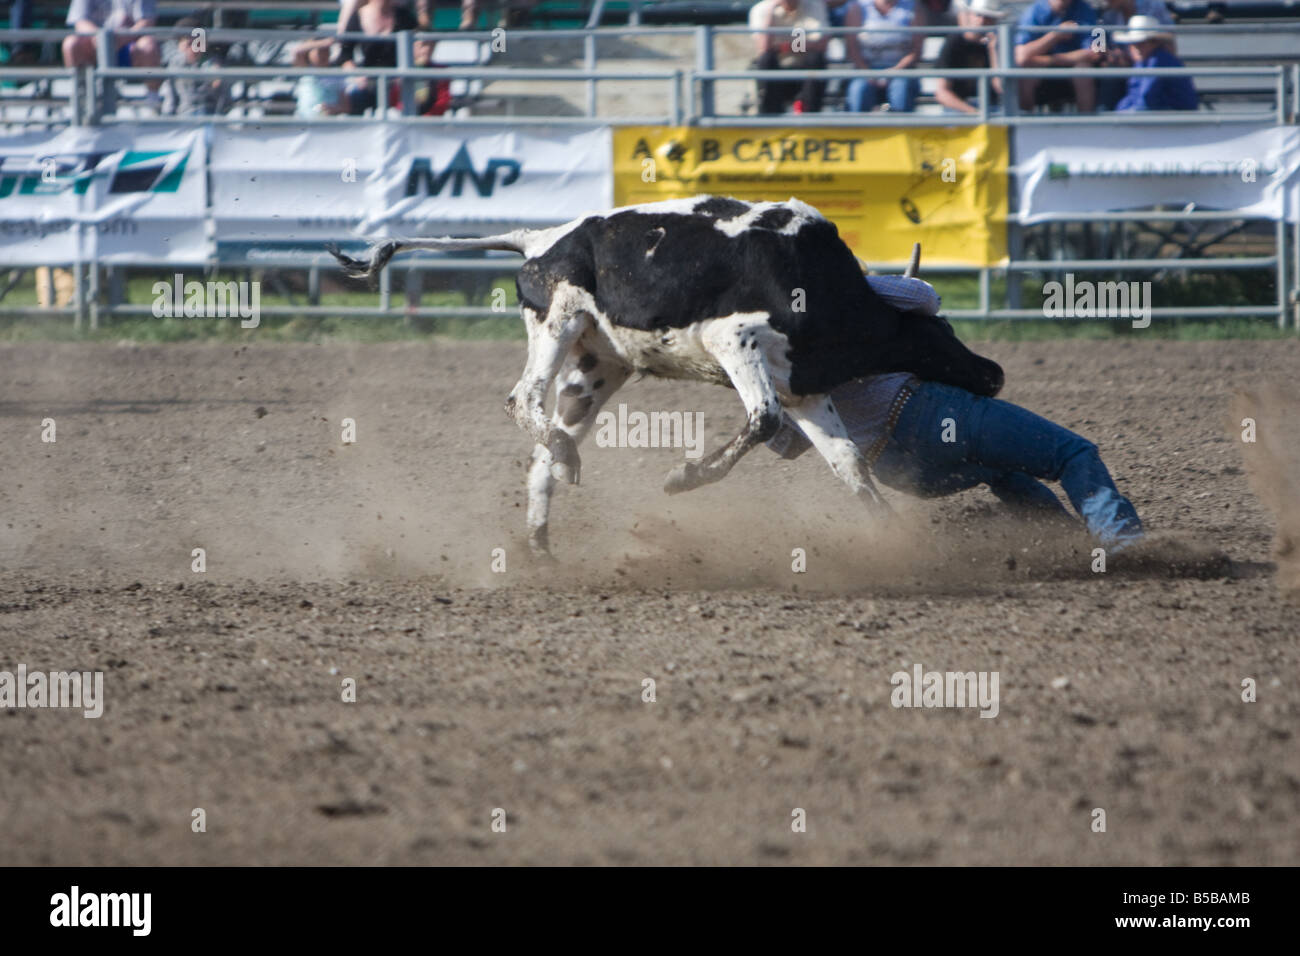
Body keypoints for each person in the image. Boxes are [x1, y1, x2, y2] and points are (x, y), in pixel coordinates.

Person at [766, 275, 1145, 551]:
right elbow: (924, 298)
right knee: (1072, 453)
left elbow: (785, 443)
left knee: (1001, 469)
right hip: (927, 414)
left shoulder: (772, 354)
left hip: (899, 470)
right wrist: (875, 278)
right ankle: (1124, 547)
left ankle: (1067, 547)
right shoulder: (841, 290)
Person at [1013, 0, 1103, 112]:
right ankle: (1024, 123)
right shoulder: (1033, 11)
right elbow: (1021, 56)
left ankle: (1086, 126)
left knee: (1083, 70)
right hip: (1041, 73)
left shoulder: (1086, 9)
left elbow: (1097, 52)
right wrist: (1055, 36)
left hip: (1070, 68)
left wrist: (1052, 60)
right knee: (1026, 74)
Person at [334, 0, 419, 115]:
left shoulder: (404, 16)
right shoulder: (358, 16)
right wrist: (357, 76)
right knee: (355, 99)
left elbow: (418, 48)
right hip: (367, 83)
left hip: (397, 84)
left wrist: (402, 74)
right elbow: (344, 56)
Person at [749, 0, 830, 115]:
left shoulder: (815, 5)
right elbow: (764, 48)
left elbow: (822, 44)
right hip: (776, 74)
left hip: (806, 74)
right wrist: (770, 13)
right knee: (766, 60)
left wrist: (783, 47)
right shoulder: (761, 10)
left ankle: (809, 116)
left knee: (816, 59)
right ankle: (770, 119)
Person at [844, 0, 922, 113]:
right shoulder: (858, 7)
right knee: (859, 90)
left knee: (901, 89)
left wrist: (894, 71)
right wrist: (867, 72)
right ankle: (856, 129)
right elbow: (851, 47)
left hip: (901, 71)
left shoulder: (913, 7)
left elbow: (916, 50)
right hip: (865, 70)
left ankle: (900, 129)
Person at [1096, 0, 1174, 108]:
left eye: (1140, 43)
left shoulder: (1153, 5)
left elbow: (1144, 101)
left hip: (1149, 63)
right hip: (1131, 65)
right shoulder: (1108, 15)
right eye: (1135, 43)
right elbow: (1101, 48)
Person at [933, 0, 1006, 115]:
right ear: (970, 15)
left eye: (988, 17)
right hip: (959, 109)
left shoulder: (999, 44)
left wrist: (993, 51)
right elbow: (942, 93)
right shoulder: (954, 42)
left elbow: (1002, 88)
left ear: (994, 21)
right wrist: (973, 112)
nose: (982, 20)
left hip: (991, 107)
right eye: (978, 15)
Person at [1113, 14, 1197, 111]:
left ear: (1155, 43)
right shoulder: (1144, 61)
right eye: (1134, 43)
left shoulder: (1159, 61)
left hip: (1176, 119)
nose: (1137, 47)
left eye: (1142, 42)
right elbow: (1134, 97)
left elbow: (1146, 99)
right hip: (1162, 115)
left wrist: (1123, 115)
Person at [162, 17, 228, 117]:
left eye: (198, 44)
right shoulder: (175, 65)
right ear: (179, 45)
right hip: (183, 116)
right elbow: (170, 99)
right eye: (189, 44)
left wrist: (217, 84)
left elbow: (223, 102)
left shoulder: (213, 64)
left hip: (209, 116)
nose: (194, 49)